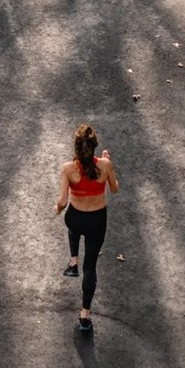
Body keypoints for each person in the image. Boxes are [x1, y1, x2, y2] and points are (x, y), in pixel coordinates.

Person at [55, 123, 119, 331]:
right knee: (90, 267)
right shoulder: (105, 165)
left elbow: (62, 201)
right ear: (94, 147)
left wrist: (57, 208)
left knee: (74, 227)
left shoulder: (68, 169)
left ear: (76, 147)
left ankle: (73, 262)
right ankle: (84, 316)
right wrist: (107, 163)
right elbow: (114, 189)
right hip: (96, 221)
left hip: (75, 218)